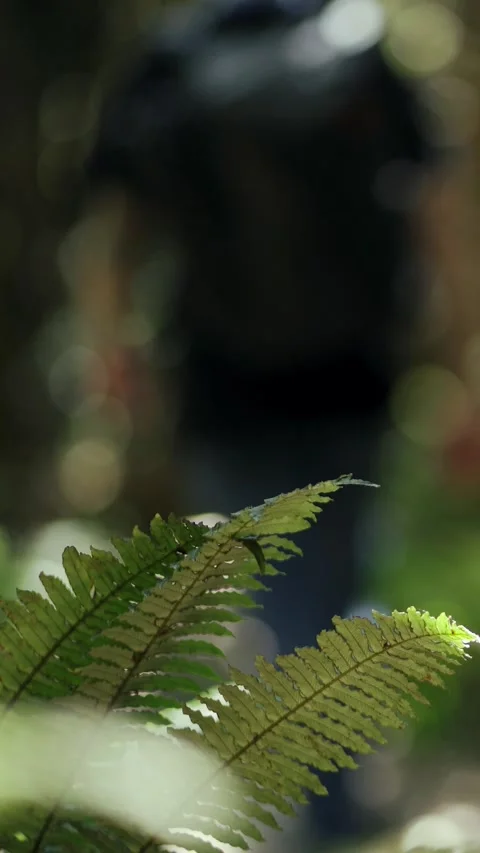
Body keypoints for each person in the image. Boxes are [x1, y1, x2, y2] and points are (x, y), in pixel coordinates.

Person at [76, 0, 479, 846]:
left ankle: (300, 809)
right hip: (355, 373)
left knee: (269, 597)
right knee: (334, 593)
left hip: (222, 383)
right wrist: (460, 358)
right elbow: (436, 215)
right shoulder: (360, 46)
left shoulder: (173, 61)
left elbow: (111, 231)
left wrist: (114, 355)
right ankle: (327, 804)